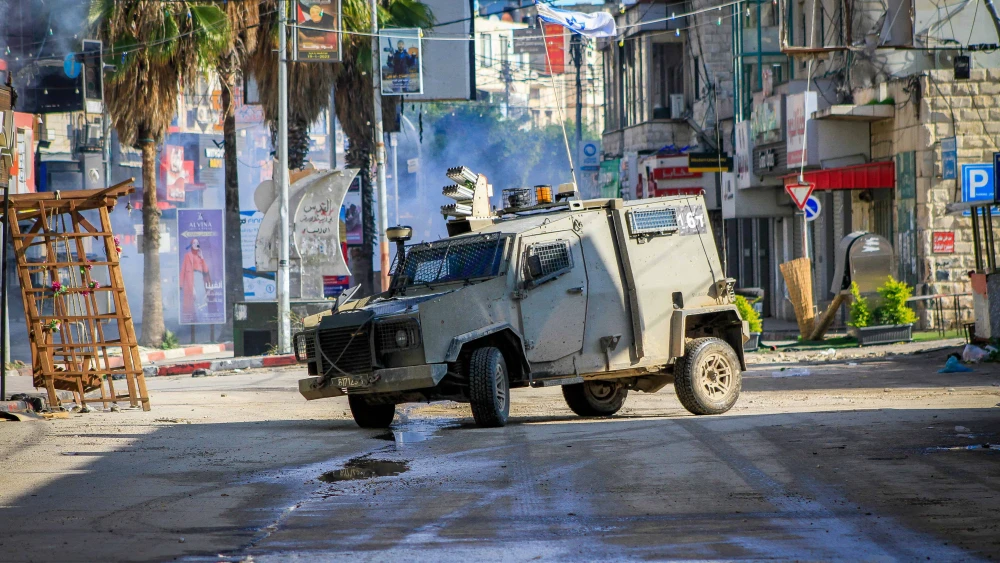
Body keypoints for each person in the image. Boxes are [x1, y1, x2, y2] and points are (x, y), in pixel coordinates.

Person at [180, 238, 212, 324]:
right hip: (191, 278)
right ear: (191, 245)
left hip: (200, 278)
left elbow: (205, 270)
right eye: (194, 243)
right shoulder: (188, 255)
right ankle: (196, 319)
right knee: (194, 298)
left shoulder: (200, 256)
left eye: (197, 242)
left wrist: (202, 257)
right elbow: (183, 269)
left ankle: (203, 318)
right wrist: (181, 284)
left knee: (202, 298)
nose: (196, 244)